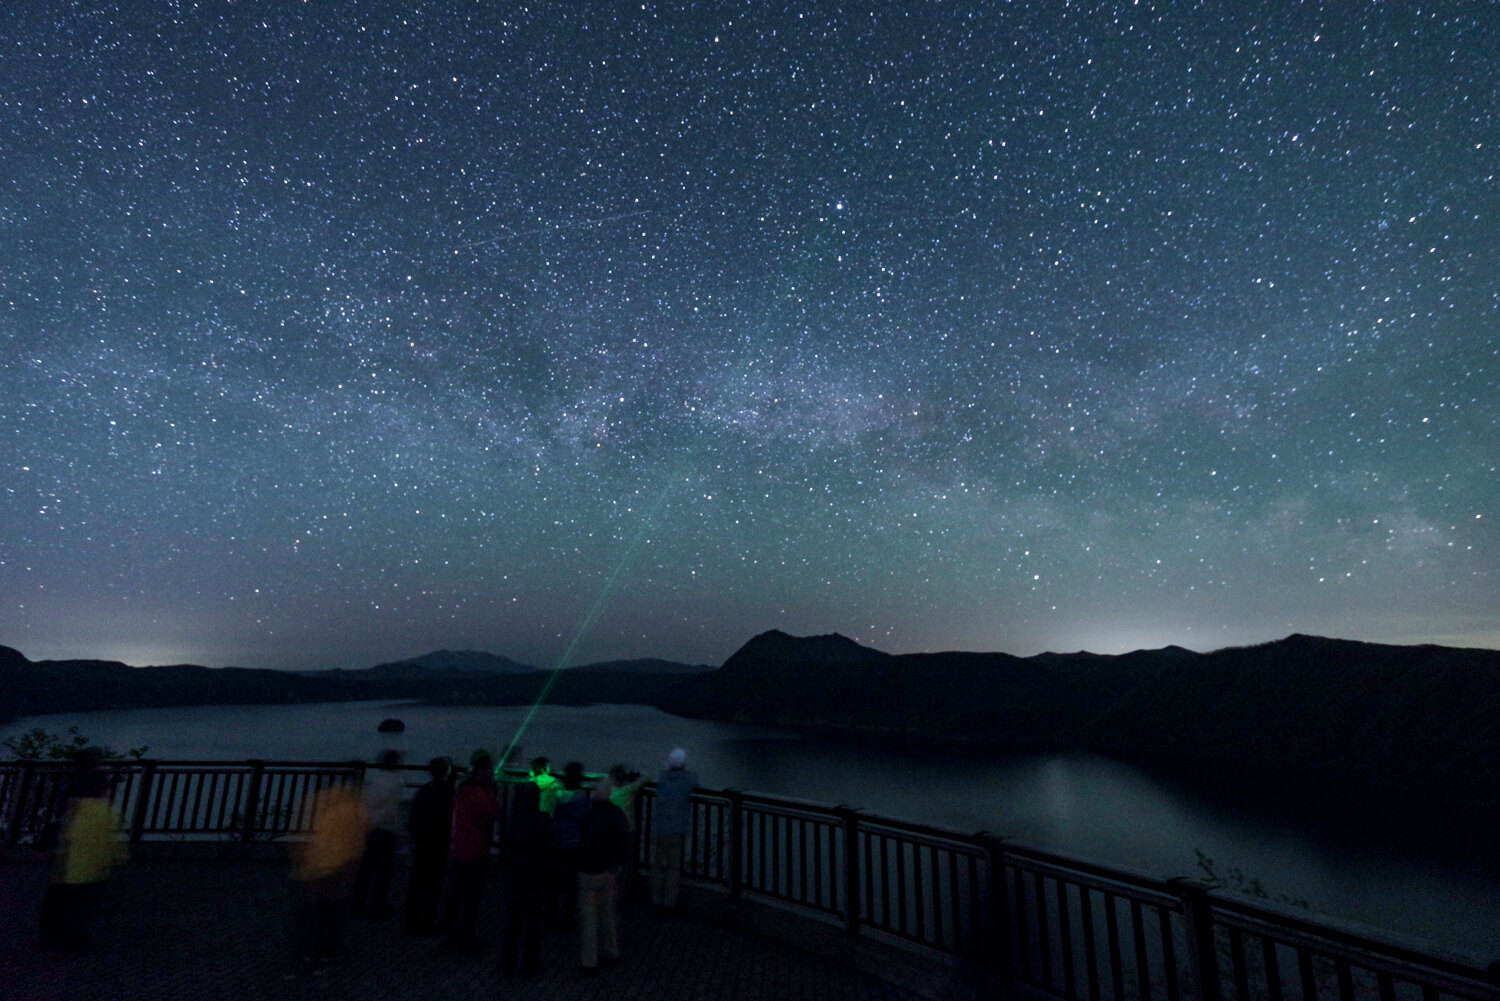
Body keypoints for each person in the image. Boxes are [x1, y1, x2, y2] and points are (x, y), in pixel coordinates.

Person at [38, 770, 127, 952]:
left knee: (67, 902)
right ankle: (75, 939)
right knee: (83, 905)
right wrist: (118, 857)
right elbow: (113, 839)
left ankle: (57, 935)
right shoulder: (107, 812)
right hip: (94, 870)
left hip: (69, 869)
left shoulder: (73, 810)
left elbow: (66, 837)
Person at [286, 781, 366, 979]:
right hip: (332, 873)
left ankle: (312, 955)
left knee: (315, 915)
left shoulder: (317, 812)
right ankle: (323, 955)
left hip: (321, 872)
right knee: (328, 916)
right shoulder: (349, 815)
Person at [440, 749, 500, 951]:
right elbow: (492, 813)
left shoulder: (462, 789)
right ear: (484, 770)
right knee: (471, 896)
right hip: (476, 849)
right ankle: (465, 936)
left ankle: (449, 933)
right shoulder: (480, 793)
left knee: (456, 893)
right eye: (491, 768)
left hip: (460, 847)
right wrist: (493, 792)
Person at [498, 780, 551, 978]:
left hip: (516, 878)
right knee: (533, 923)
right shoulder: (543, 821)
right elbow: (548, 851)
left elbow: (506, 851)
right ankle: (531, 964)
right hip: (535, 878)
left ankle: (507, 963)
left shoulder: (514, 822)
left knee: (512, 922)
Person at [577, 779, 629, 974]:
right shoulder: (617, 814)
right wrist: (618, 866)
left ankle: (589, 961)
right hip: (608, 872)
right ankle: (611, 952)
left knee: (589, 917)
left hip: (589, 872)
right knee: (608, 913)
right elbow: (623, 842)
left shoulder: (587, 815)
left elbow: (580, 842)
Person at [404, 756, 453, 935]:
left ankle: (410, 922)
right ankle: (426, 923)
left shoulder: (423, 791)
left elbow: (413, 816)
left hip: (421, 844)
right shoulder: (448, 792)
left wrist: (415, 836)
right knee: (433, 885)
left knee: (417, 883)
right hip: (437, 845)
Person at [351, 749, 403, 917]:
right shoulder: (396, 782)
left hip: (371, 828)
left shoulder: (375, 782)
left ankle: (358, 903)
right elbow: (392, 809)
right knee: (383, 871)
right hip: (386, 831)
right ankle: (377, 905)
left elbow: (367, 801)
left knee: (366, 869)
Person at [650, 747, 697, 911]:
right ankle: (669, 903)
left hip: (660, 827)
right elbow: (694, 782)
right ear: (684, 764)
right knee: (673, 868)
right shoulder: (688, 780)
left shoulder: (662, 777)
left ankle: (655, 901)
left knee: (658, 866)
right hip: (677, 830)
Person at [548, 761, 590, 927]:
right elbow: (584, 819)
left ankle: (551, 915)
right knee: (572, 883)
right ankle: (567, 916)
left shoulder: (557, 795)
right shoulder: (581, 797)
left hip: (557, 842)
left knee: (555, 881)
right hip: (574, 844)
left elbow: (552, 814)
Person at [607, 763, 648, 900]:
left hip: (612, 832)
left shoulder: (609, 792)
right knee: (626, 863)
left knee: (612, 862)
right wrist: (634, 777)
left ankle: (610, 891)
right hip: (627, 830)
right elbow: (645, 778)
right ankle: (624, 892)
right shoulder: (629, 790)